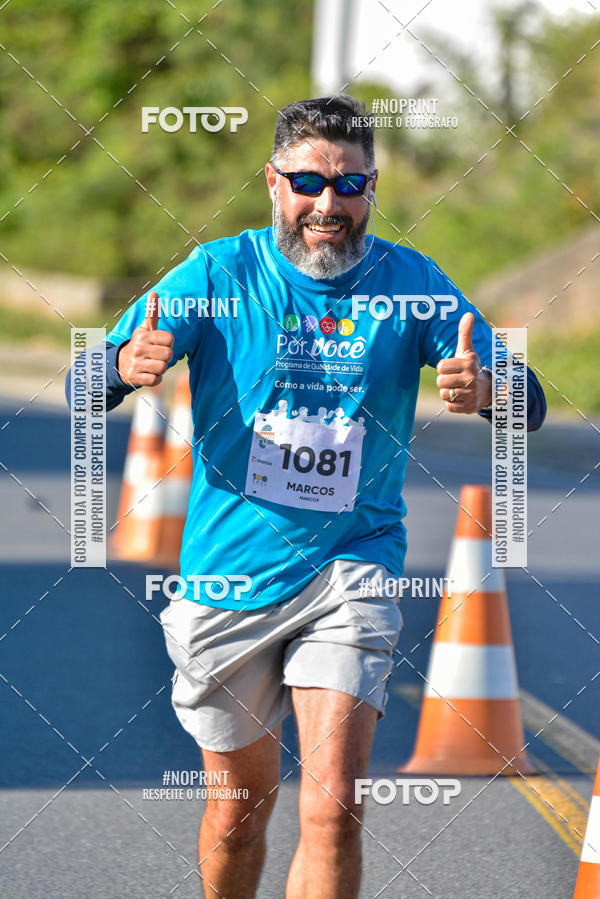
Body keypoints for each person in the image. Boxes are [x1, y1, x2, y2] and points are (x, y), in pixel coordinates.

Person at [66, 95, 546, 898]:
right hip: (229, 575)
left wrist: (491, 388)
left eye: (349, 185)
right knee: (239, 813)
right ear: (273, 182)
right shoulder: (218, 274)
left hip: (351, 566)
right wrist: (117, 367)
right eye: (308, 182)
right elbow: (83, 380)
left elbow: (528, 402)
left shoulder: (410, 284)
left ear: (372, 187)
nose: (329, 204)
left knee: (333, 808)